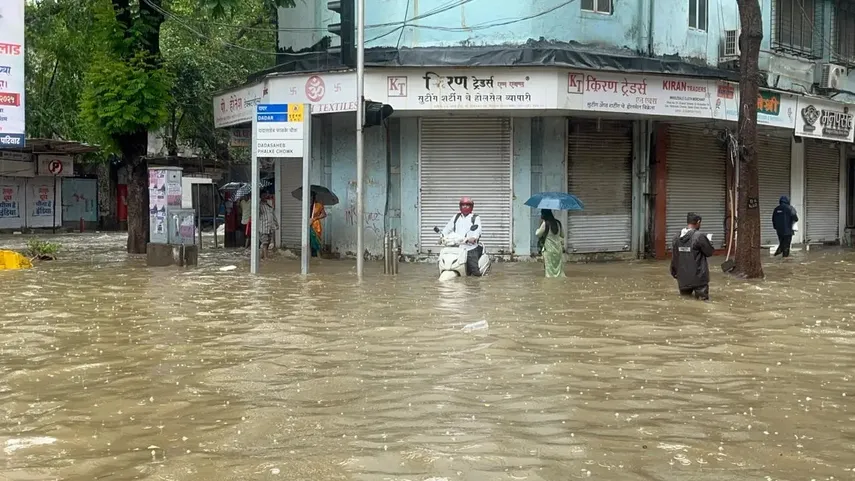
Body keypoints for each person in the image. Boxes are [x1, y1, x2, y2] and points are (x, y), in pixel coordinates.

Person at [670, 212, 714, 301]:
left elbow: (674, 257)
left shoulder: (677, 237)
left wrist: (674, 271)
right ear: (698, 222)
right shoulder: (699, 236)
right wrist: (709, 242)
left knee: (685, 301)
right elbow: (709, 252)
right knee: (703, 303)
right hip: (699, 278)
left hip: (683, 278)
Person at [441, 196, 483, 276]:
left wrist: (473, 238)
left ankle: (475, 286)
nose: (465, 206)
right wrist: (442, 235)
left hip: (470, 247)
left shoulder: (475, 218)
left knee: (475, 273)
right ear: (460, 206)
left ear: (471, 206)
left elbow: (477, 230)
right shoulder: (456, 217)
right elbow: (447, 228)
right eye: (463, 205)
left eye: (467, 205)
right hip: (457, 247)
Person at [535, 209, 565, 278]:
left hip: (549, 249)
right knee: (558, 271)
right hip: (558, 249)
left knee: (549, 271)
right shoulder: (558, 223)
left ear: (544, 215)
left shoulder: (545, 223)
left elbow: (538, 234)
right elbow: (562, 235)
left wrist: (538, 228)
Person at [257, 193, 279, 260]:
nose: (265, 196)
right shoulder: (259, 206)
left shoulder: (268, 205)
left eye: (266, 195)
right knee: (265, 242)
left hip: (270, 227)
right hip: (263, 227)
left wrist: (276, 224)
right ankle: (266, 257)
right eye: (263, 195)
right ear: (260, 197)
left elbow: (273, 215)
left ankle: (262, 256)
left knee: (268, 242)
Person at [310, 193, 327, 257]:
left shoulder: (319, 205)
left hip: (315, 225)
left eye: (313, 197)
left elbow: (324, 214)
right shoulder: (306, 204)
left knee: (315, 241)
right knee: (308, 241)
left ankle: (316, 256)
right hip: (308, 224)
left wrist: (315, 218)